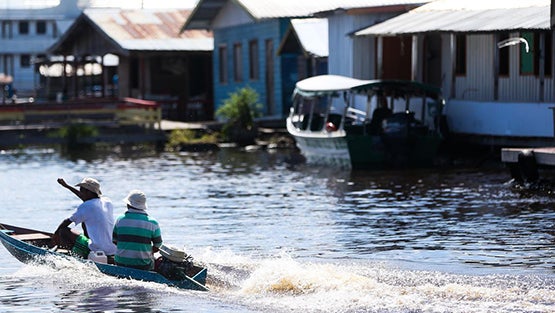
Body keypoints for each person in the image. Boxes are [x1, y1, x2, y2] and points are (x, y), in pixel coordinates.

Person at [54, 177, 117, 261]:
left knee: (63, 231)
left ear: (88, 192)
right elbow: (85, 198)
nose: (80, 192)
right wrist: (66, 186)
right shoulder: (107, 201)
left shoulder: (86, 206)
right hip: (112, 249)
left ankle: (77, 256)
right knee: (85, 220)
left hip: (97, 249)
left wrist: (55, 235)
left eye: (81, 190)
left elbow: (66, 222)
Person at [113, 190, 162, 270]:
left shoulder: (120, 220)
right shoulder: (153, 223)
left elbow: (115, 241)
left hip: (121, 262)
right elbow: (158, 246)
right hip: (143, 265)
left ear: (128, 204)